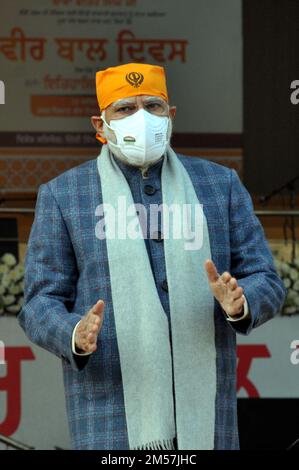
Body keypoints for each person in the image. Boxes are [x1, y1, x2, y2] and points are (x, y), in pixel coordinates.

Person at [18, 63, 286, 450]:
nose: (141, 117)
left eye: (153, 106)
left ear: (171, 115)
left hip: (205, 416)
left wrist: (241, 300)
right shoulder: (65, 195)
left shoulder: (219, 184)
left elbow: (266, 278)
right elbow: (39, 302)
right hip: (111, 412)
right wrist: (73, 332)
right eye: (125, 109)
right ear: (100, 124)